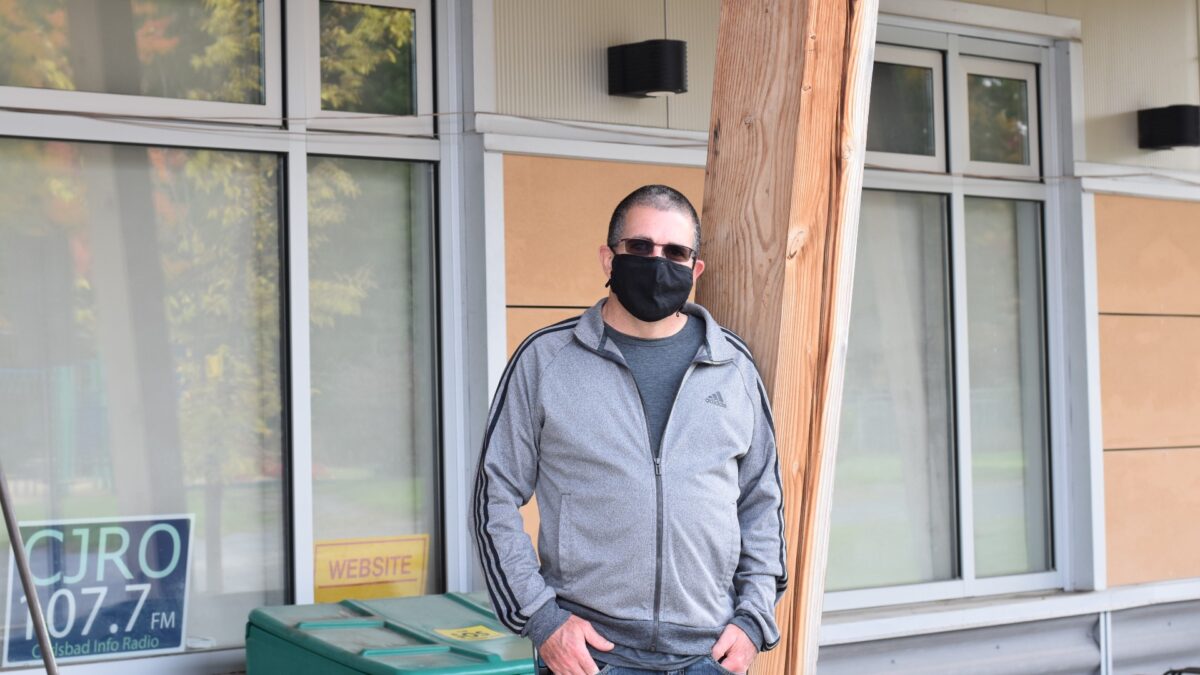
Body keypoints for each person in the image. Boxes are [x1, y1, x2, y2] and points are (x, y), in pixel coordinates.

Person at [472, 185, 786, 675]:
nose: (657, 262)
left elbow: (762, 502)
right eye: (639, 247)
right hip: (591, 656)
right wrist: (541, 619)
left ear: (694, 269)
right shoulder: (546, 359)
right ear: (608, 258)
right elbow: (494, 495)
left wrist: (753, 620)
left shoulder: (733, 366)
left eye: (675, 252)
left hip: (711, 654)